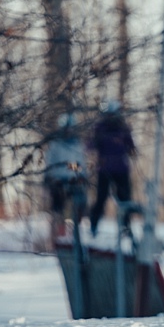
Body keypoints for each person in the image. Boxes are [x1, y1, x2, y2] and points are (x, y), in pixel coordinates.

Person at [88, 99, 136, 238]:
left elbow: (131, 147)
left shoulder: (123, 128)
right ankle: (94, 226)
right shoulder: (101, 128)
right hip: (105, 169)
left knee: (124, 200)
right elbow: (90, 145)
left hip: (120, 169)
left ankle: (126, 228)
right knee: (101, 199)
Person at [44, 113, 88, 240]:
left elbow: (82, 162)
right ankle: (57, 238)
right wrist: (48, 178)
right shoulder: (56, 144)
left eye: (71, 127)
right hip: (58, 181)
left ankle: (75, 238)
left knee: (78, 208)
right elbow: (50, 162)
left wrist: (83, 176)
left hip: (74, 181)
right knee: (58, 211)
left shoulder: (77, 144)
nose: (69, 130)